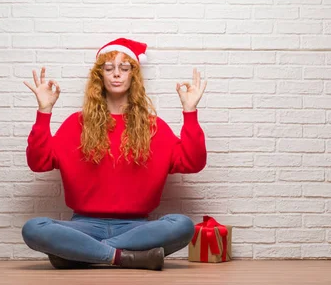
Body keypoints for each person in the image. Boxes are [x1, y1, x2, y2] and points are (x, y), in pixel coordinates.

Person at [20, 38, 208, 271]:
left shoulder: (153, 126)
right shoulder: (75, 124)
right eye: (109, 68)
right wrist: (44, 111)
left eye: (124, 68)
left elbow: (193, 162)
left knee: (182, 225)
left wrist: (190, 112)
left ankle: (80, 253)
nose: (116, 74)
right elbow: (38, 162)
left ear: (133, 76)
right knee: (34, 228)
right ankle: (124, 257)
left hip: (137, 228)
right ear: (100, 75)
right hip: (83, 226)